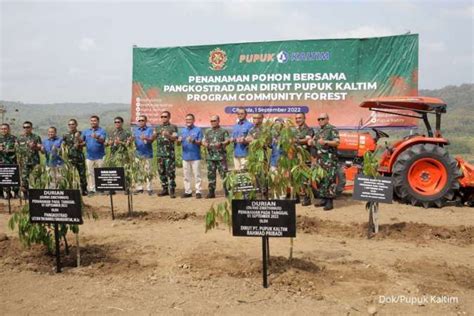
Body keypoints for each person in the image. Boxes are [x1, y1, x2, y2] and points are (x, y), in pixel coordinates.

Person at [309, 113, 340, 211]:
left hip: (329, 160)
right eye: (318, 119)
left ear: (327, 119)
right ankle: (323, 199)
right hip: (320, 160)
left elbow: (337, 142)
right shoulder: (319, 131)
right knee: (321, 179)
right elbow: (316, 142)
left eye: (322, 119)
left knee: (330, 180)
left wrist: (326, 142)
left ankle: (329, 202)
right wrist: (311, 142)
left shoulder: (332, 129)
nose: (320, 121)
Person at [202, 115, 230, 199]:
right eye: (211, 121)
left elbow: (227, 140)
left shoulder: (223, 131)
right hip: (210, 157)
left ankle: (227, 192)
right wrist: (204, 144)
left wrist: (222, 143)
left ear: (218, 121)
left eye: (214, 121)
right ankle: (211, 192)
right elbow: (203, 140)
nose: (213, 122)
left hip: (221, 157)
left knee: (224, 175)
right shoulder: (207, 131)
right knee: (211, 175)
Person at [178, 113, 203, 199]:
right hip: (185, 156)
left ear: (193, 120)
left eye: (190, 119)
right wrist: (178, 140)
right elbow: (178, 143)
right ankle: (187, 191)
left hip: (195, 156)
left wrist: (194, 141)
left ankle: (198, 191)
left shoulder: (198, 130)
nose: (188, 121)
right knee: (186, 175)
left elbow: (200, 142)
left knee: (197, 175)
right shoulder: (183, 130)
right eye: (187, 120)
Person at [154, 111, 178, 198]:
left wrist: (168, 136)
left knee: (170, 172)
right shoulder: (158, 128)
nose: (163, 118)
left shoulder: (173, 127)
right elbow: (152, 138)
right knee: (161, 172)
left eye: (165, 116)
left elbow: (175, 138)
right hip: (160, 154)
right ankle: (164, 189)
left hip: (169, 154)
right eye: (162, 116)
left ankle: (172, 190)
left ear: (169, 117)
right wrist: (148, 137)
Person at [245, 113, 269, 198]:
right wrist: (247, 139)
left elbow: (266, 143)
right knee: (255, 175)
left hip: (262, 156)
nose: (256, 120)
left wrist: (253, 140)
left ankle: (265, 193)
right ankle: (258, 192)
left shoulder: (266, 130)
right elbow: (248, 139)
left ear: (262, 119)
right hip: (253, 156)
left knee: (263, 175)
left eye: (258, 118)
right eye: (254, 118)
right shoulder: (251, 129)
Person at [294, 112, 315, 206]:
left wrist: (296, 141)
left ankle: (306, 198)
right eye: (296, 118)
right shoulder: (293, 130)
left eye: (300, 118)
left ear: (304, 118)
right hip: (295, 157)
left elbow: (307, 140)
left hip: (304, 157)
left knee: (305, 178)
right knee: (295, 178)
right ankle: (297, 197)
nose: (298, 120)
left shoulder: (309, 130)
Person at [82, 115, 107, 195]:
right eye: (92, 120)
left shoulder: (102, 131)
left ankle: (100, 188)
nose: (93, 122)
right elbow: (82, 141)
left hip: (100, 156)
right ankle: (92, 189)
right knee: (90, 173)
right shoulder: (86, 131)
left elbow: (102, 140)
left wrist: (97, 137)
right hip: (89, 156)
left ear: (98, 122)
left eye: (95, 121)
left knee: (100, 173)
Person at [63, 119, 88, 195]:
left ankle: (84, 190)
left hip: (79, 157)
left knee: (82, 174)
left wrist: (79, 142)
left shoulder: (81, 133)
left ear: (76, 125)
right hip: (70, 158)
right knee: (71, 175)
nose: (71, 126)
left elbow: (85, 143)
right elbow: (63, 145)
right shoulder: (65, 135)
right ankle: (71, 190)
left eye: (73, 124)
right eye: (69, 124)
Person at [16, 121, 42, 196]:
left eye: (28, 127)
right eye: (24, 127)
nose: (26, 129)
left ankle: (36, 195)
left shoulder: (36, 137)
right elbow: (17, 150)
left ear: (31, 128)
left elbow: (40, 149)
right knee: (24, 179)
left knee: (36, 178)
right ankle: (25, 194)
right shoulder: (20, 138)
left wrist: (35, 147)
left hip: (35, 161)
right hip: (24, 162)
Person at [133, 115, 154, 195]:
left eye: (142, 120)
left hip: (147, 154)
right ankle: (139, 188)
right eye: (139, 121)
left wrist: (146, 138)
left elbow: (151, 140)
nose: (141, 122)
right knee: (139, 172)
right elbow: (134, 140)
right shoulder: (136, 130)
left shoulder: (149, 130)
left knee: (148, 172)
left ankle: (149, 188)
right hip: (138, 154)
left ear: (146, 121)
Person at [0, 123, 19, 198]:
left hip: (12, 161)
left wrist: (9, 150)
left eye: (5, 128)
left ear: (8, 129)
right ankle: (5, 194)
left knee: (14, 179)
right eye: (2, 129)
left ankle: (16, 193)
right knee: (3, 179)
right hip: (1, 162)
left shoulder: (14, 138)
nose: (4, 130)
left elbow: (18, 149)